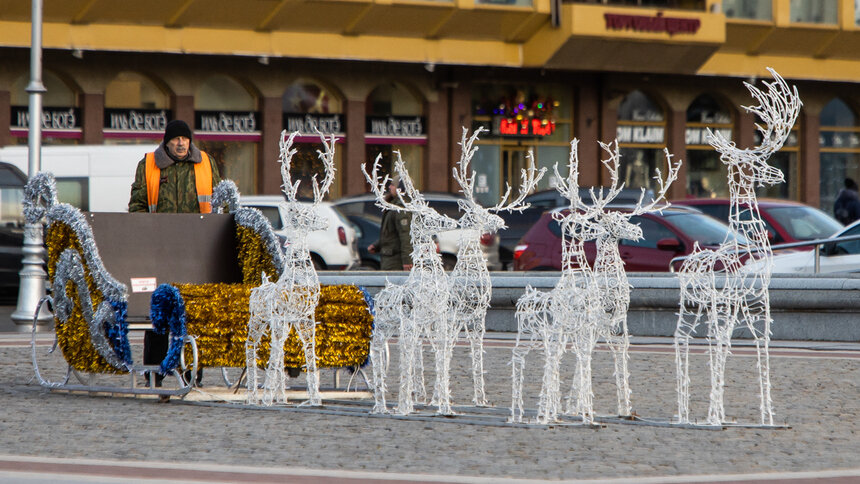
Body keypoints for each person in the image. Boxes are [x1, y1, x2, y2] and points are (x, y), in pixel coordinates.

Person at [128, 120, 220, 390]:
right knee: (157, 312)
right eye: (176, 139)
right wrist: (144, 238)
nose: (181, 143)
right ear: (166, 141)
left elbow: (219, 203)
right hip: (158, 249)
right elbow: (138, 205)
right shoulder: (148, 164)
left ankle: (192, 372)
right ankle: (154, 372)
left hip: (197, 250)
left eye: (185, 139)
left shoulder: (206, 163)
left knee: (194, 314)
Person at [368, 180, 413, 271]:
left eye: (393, 185)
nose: (389, 187)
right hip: (389, 257)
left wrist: (407, 260)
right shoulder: (393, 205)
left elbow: (406, 235)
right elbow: (390, 233)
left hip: (395, 260)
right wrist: (377, 245)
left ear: (401, 189)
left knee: (393, 284)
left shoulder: (401, 208)